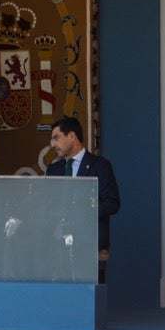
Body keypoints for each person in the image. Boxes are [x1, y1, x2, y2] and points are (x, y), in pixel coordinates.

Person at [45, 116, 120, 282]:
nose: (52, 145)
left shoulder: (99, 166)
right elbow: (46, 204)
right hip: (57, 238)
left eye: (56, 138)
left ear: (71, 136)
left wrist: (84, 213)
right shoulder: (54, 169)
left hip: (88, 239)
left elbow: (112, 203)